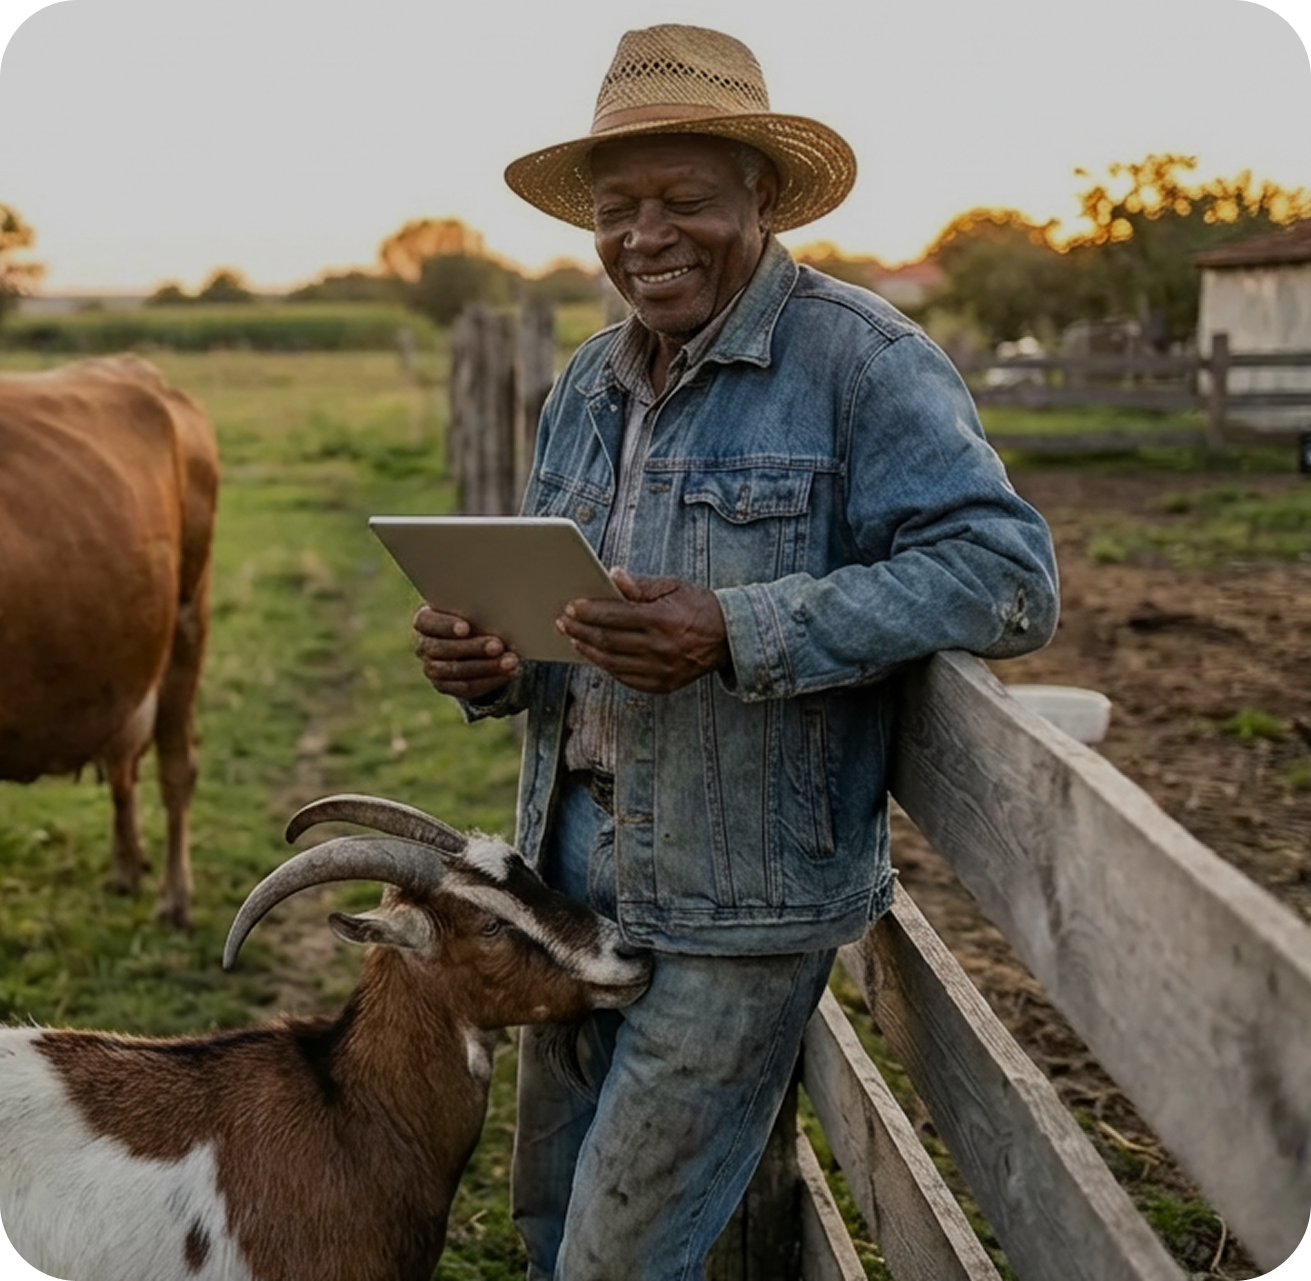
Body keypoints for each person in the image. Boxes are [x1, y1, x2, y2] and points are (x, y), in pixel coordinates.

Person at [413, 23, 1059, 1281]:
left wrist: (737, 629)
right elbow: (570, 629)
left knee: (614, 1259)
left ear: (761, 194)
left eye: (685, 201)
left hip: (741, 890)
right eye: (616, 210)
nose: (644, 237)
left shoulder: (861, 362)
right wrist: (495, 666)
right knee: (551, 1226)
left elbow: (1009, 577)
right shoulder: (589, 384)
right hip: (572, 859)